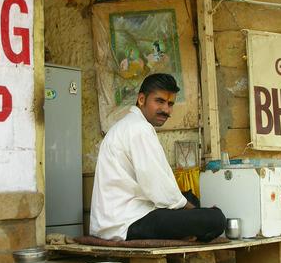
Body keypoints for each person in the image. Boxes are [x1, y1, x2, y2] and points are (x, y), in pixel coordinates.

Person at [90, 73, 225, 241]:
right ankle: (192, 231)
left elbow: (160, 189)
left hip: (123, 217)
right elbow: (157, 186)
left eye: (170, 104)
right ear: (141, 99)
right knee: (216, 219)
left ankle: (189, 231)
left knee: (190, 198)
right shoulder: (139, 129)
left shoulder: (131, 125)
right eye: (159, 101)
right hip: (126, 223)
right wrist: (194, 212)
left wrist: (188, 206)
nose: (166, 110)